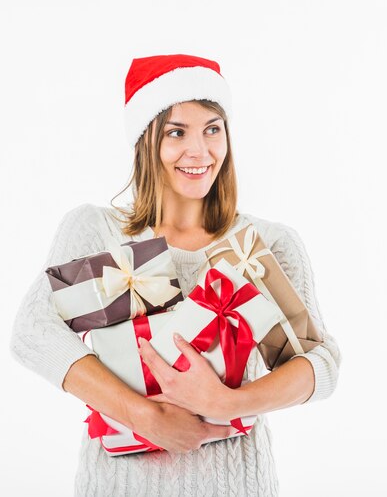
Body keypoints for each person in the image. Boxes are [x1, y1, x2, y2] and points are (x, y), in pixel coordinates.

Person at [10, 54, 341, 496]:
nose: (199, 151)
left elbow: (320, 363)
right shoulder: (98, 231)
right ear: (146, 142)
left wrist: (224, 402)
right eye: (176, 132)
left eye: (212, 129)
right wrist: (145, 417)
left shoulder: (263, 245)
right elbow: (32, 333)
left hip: (236, 485)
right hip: (119, 486)